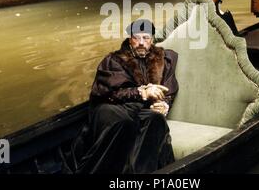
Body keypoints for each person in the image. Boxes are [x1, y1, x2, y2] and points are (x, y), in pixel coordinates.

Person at [72, 19, 179, 174]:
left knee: (155, 120)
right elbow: (106, 93)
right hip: (112, 107)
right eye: (137, 38)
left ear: (152, 40)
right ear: (130, 39)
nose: (141, 43)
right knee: (124, 123)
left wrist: (164, 104)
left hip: (140, 110)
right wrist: (141, 92)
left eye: (146, 38)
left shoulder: (163, 59)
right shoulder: (114, 61)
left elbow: (169, 89)